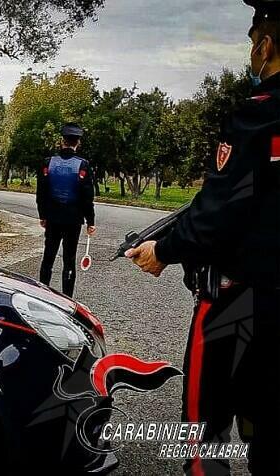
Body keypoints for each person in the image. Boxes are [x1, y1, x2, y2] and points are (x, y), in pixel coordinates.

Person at [126, 1, 280, 474]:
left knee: (205, 436)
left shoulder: (258, 115)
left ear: (265, 45)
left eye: (252, 43)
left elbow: (220, 209)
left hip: (236, 304)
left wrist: (164, 250)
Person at [36, 123, 96, 297]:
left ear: (62, 141)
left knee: (48, 257)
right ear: (77, 143)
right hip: (73, 219)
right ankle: (67, 298)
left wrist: (43, 215)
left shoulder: (48, 163)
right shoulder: (83, 165)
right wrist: (90, 221)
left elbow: (41, 193)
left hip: (53, 217)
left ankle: (41, 294)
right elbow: (87, 197)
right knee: (69, 260)